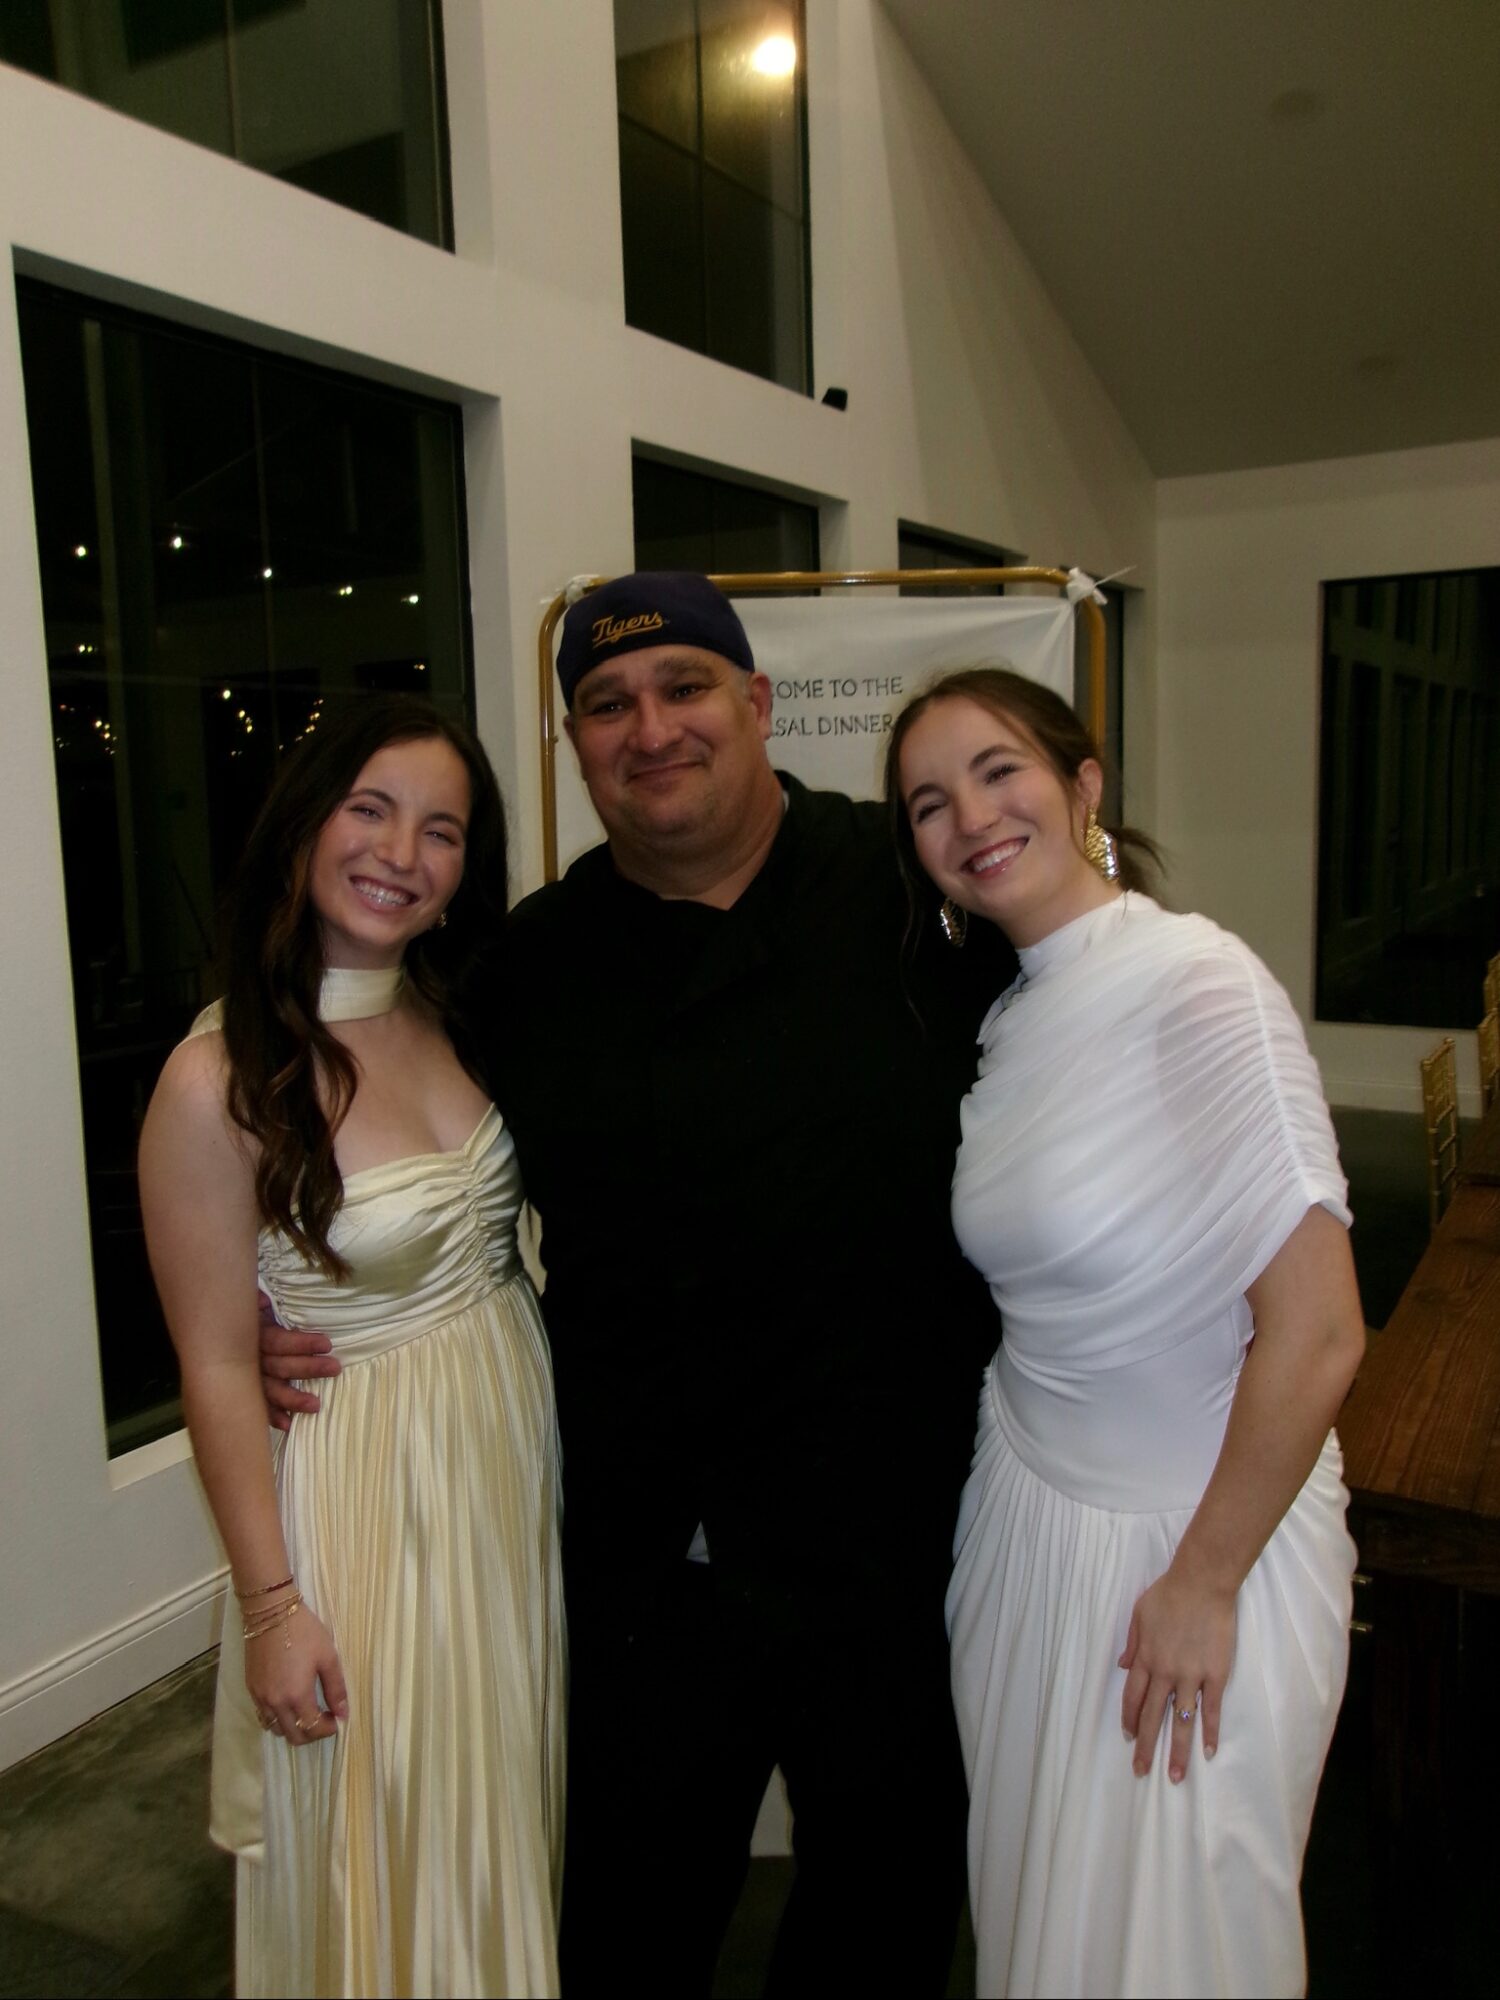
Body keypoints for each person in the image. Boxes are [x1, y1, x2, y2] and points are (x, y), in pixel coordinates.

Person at [264, 575, 1009, 1993]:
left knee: (884, 1911)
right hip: (645, 1557)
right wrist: (262, 1292)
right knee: (625, 1926)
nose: (648, 728)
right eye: (606, 705)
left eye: (683, 689)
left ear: (760, 706)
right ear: (575, 744)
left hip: (891, 1540)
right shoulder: (523, 966)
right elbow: (362, 1126)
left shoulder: (915, 897)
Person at [887, 666, 1367, 1999]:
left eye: (998, 771)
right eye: (930, 802)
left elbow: (1320, 1332)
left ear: (1083, 782)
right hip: (1029, 1533)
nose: (970, 816)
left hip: (1200, 1543)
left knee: (1183, 1942)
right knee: (1041, 1924)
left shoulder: (1199, 985)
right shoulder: (1009, 1019)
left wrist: (1203, 1582)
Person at [139, 696, 564, 1998]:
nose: (402, 851)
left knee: (496, 1803)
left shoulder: (453, 1012)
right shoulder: (217, 1080)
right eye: (369, 807)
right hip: (370, 1492)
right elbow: (216, 1360)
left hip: (503, 1465)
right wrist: (272, 1610)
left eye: (442, 830)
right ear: (304, 825)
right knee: (383, 1829)